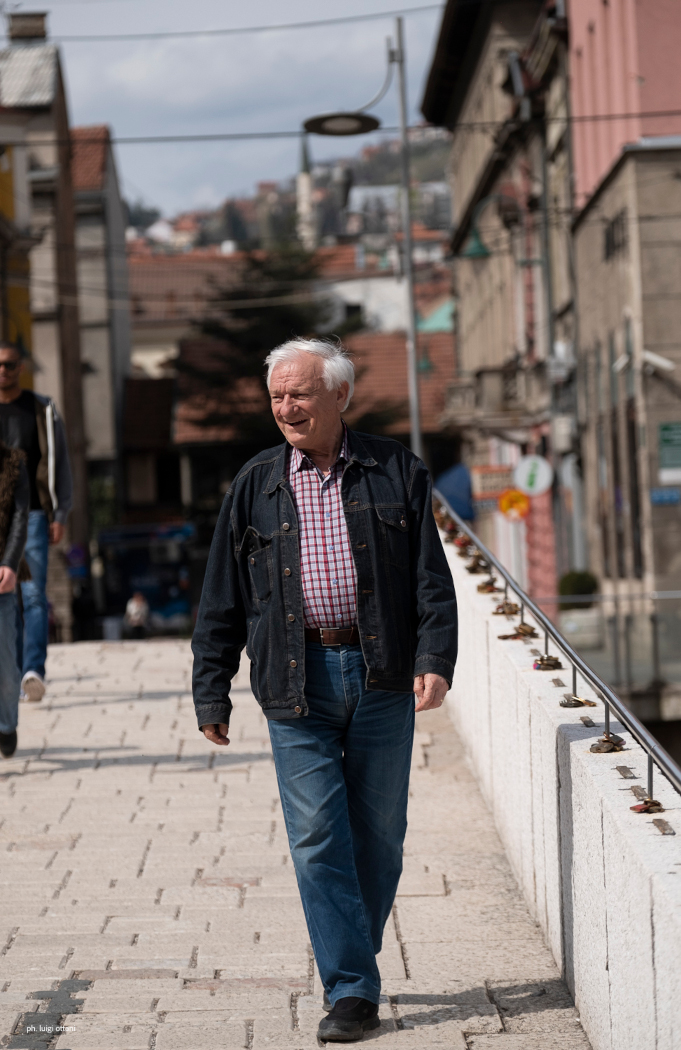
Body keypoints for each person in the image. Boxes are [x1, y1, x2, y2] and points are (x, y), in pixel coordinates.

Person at [192, 338, 457, 1043]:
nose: (287, 407)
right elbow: (221, 595)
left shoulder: (395, 469)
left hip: (382, 677)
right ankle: (352, 990)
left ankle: (350, 961)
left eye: (300, 393)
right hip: (294, 682)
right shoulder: (255, 483)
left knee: (381, 839)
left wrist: (437, 657)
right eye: (277, 396)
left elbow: (431, 576)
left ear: (339, 396)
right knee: (316, 839)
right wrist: (209, 689)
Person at [0, 342, 72, 703]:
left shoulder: (41, 409)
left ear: (21, 367)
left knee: (31, 594)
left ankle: (33, 671)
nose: (3, 371)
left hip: (33, 515)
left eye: (10, 364)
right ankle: (11, 672)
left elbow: (60, 463)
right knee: (5, 597)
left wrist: (59, 513)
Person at [0, 438, 29, 758]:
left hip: (1, 579)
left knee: (7, 672)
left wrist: (9, 562)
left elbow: (20, 519)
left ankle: (6, 725)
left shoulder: (12, 464)